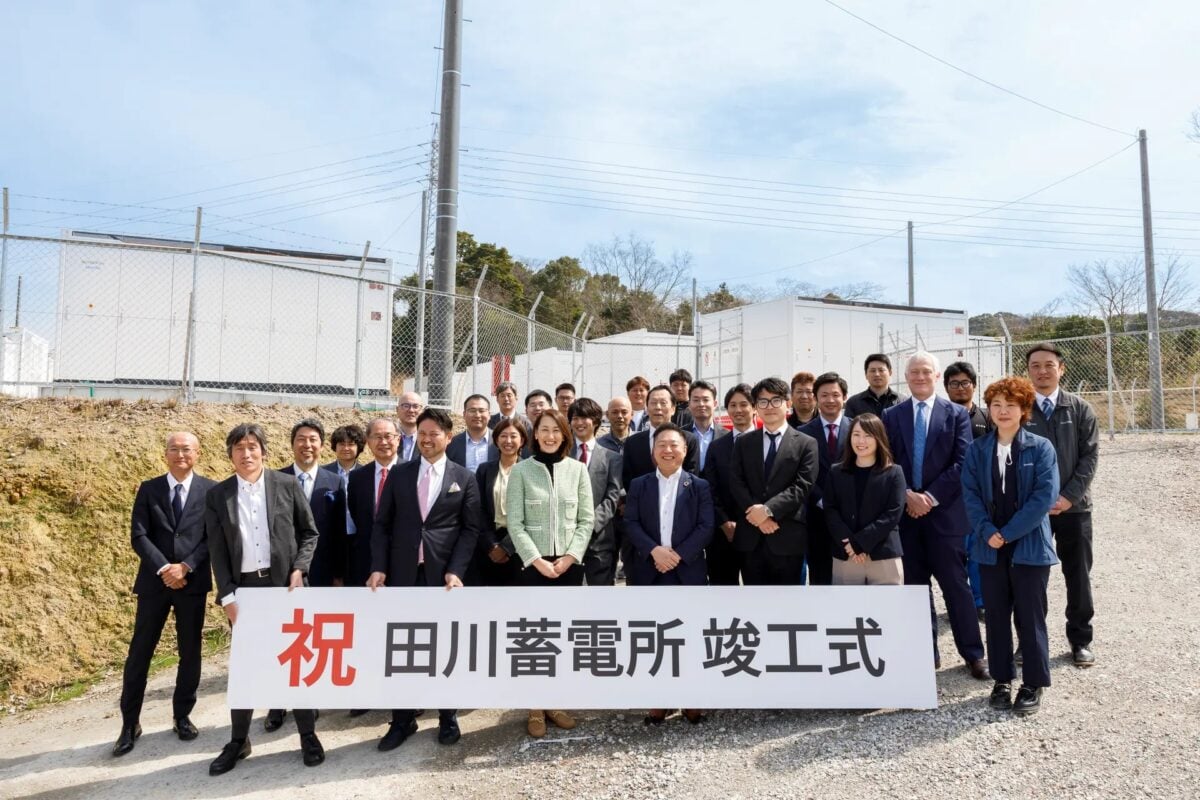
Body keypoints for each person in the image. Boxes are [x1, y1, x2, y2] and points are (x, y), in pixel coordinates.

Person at [205, 423, 323, 775]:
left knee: (296, 661)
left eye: (252, 446)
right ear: (231, 455)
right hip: (244, 592)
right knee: (247, 667)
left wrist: (299, 569)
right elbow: (217, 551)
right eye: (239, 448)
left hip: (284, 589)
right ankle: (239, 740)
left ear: (264, 451)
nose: (246, 453)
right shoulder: (218, 495)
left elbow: (310, 533)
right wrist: (227, 595)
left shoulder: (285, 485)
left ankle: (308, 735)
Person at [368, 408, 481, 750]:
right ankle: (402, 720)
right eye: (423, 433)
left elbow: (470, 529)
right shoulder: (400, 474)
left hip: (443, 577)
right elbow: (382, 525)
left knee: (445, 647)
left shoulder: (464, 477)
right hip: (403, 575)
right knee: (402, 648)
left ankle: (447, 716)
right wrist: (379, 566)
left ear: (449, 437)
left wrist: (456, 570)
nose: (427, 439)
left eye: (435, 433)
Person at [883, 352, 988, 680]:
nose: (920, 377)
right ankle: (925, 653)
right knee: (915, 588)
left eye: (926, 371)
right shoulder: (891, 415)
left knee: (956, 586)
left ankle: (973, 654)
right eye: (914, 372)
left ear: (937, 376)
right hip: (906, 517)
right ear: (906, 377)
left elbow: (963, 462)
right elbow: (886, 460)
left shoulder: (956, 414)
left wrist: (928, 497)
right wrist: (907, 495)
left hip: (945, 516)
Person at [113, 432, 216, 758]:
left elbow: (212, 537)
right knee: (140, 652)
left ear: (198, 453)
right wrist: (164, 568)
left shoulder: (211, 490)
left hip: (192, 583)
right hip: (154, 583)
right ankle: (130, 724)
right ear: (165, 453)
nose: (180, 454)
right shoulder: (149, 488)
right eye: (174, 449)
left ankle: (182, 715)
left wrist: (185, 567)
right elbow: (139, 535)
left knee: (190, 652)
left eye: (187, 449)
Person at [962, 377, 1060, 716]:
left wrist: (1008, 533)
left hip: (1028, 545)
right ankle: (1002, 679)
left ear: (1024, 409)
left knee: (1031, 616)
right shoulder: (978, 449)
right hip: (990, 545)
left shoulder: (1041, 447)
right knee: (996, 616)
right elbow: (970, 495)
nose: (1003, 411)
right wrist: (987, 531)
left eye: (1010, 405)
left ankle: (1033, 682)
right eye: (996, 405)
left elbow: (1044, 497)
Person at [506, 409, 594, 738]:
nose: (550, 436)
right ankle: (534, 707)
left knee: (562, 636)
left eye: (556, 430)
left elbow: (586, 519)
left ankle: (555, 703)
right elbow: (515, 523)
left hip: (569, 567)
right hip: (533, 568)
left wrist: (570, 557)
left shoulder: (578, 470)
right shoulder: (521, 471)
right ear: (535, 434)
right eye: (544, 430)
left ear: (564, 434)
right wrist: (536, 560)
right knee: (535, 637)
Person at [623, 423, 714, 725]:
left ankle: (691, 698)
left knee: (689, 636)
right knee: (653, 637)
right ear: (653, 451)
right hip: (650, 570)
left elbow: (706, 526)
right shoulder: (639, 484)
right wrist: (654, 551)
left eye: (674, 444)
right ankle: (657, 699)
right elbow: (631, 523)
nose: (668, 450)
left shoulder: (698, 486)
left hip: (686, 570)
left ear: (685, 450)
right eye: (661, 444)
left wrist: (677, 556)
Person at [267, 419, 348, 734]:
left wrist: (339, 574)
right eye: (301, 439)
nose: (307, 445)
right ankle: (276, 703)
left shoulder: (334, 482)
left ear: (322, 445)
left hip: (323, 569)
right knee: (283, 638)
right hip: (284, 574)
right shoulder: (275, 479)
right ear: (292, 444)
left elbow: (339, 533)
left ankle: (309, 699)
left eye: (313, 439)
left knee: (313, 638)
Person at [1023, 343, 1099, 667]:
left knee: (1078, 576)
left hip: (1075, 509)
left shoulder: (1080, 409)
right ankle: (1029, 642)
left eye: (1049, 365)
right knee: (1029, 579)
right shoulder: (1019, 408)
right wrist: (1035, 501)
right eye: (1035, 365)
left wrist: (1068, 497)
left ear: (1061, 368)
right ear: (1028, 371)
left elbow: (1089, 457)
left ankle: (1080, 640)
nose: (1042, 371)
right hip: (1032, 513)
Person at [729, 377, 819, 585]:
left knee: (787, 602)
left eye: (775, 400)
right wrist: (758, 517)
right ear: (756, 407)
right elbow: (736, 482)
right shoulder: (743, 442)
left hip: (787, 536)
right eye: (763, 401)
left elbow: (802, 486)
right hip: (751, 537)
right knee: (753, 599)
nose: (769, 407)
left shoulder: (806, 443)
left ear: (788, 403)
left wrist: (768, 511)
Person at [823, 414, 906, 585]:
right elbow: (830, 509)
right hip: (846, 553)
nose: (861, 441)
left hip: (883, 554)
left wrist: (860, 543)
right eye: (856, 434)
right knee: (846, 602)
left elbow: (893, 513)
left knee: (888, 602)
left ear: (879, 438)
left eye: (868, 435)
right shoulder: (836, 472)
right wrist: (850, 544)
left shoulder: (894, 472)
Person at [945, 361, 989, 619]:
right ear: (946, 387)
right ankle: (957, 601)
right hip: (950, 497)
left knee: (978, 550)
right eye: (954, 383)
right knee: (953, 554)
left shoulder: (987, 417)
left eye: (965, 383)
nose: (960, 388)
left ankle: (980, 600)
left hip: (979, 497)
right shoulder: (941, 417)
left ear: (974, 385)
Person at [798, 372, 851, 586]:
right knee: (820, 579)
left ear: (844, 397)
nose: (830, 400)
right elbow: (801, 474)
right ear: (815, 398)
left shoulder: (858, 429)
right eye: (824, 395)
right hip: (815, 518)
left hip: (850, 518)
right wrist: (823, 500)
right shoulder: (801, 433)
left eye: (835, 395)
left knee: (851, 580)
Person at [702, 383, 757, 585]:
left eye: (744, 404)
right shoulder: (717, 446)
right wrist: (724, 522)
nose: (738, 410)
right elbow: (711, 488)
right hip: (723, 533)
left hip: (758, 531)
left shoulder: (766, 443)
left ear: (754, 407)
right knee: (722, 589)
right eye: (732, 405)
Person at [568, 398, 623, 586]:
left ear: (596, 421)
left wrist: (588, 525)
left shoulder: (612, 458)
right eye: (575, 418)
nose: (579, 423)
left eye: (584, 418)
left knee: (600, 593)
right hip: (565, 538)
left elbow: (612, 498)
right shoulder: (561, 455)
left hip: (599, 539)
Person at [345, 418, 400, 589]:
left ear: (398, 439)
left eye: (388, 436)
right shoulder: (357, 477)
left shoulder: (413, 473)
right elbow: (356, 514)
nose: (383, 442)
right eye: (377, 437)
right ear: (368, 442)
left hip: (403, 559)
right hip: (366, 560)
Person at [473, 418, 526, 586]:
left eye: (513, 436)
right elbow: (478, 509)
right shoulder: (484, 470)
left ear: (522, 440)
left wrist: (507, 547)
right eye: (503, 436)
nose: (508, 441)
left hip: (521, 545)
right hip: (489, 544)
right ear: (496, 440)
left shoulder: (531, 471)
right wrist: (492, 545)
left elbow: (533, 514)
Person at [622, 385, 700, 488]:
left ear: (673, 409)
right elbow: (628, 480)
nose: (658, 407)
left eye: (663, 403)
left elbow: (692, 476)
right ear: (647, 408)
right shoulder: (632, 443)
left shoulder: (689, 440)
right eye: (653, 403)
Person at [324, 424, 364, 540]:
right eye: (341, 444)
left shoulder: (367, 474)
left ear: (358, 447)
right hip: (330, 536)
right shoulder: (323, 473)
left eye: (351, 444)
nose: (346, 448)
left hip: (359, 535)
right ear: (335, 446)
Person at [447, 394, 499, 473]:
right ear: (464, 414)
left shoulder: (499, 441)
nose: (477, 415)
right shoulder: (452, 443)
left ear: (489, 415)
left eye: (481, 411)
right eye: (472, 410)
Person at [687, 379, 726, 472]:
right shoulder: (680, 434)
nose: (701, 404)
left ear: (715, 404)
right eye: (696, 400)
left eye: (706, 400)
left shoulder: (727, 436)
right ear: (689, 404)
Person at [845, 354, 900, 419]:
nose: (877, 374)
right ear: (866, 375)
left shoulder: (902, 401)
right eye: (873, 371)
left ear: (890, 372)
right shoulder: (853, 403)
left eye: (881, 370)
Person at [396, 391, 424, 462]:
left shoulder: (429, 439)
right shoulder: (389, 438)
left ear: (422, 411)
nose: (411, 410)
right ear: (397, 410)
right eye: (406, 406)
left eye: (416, 406)